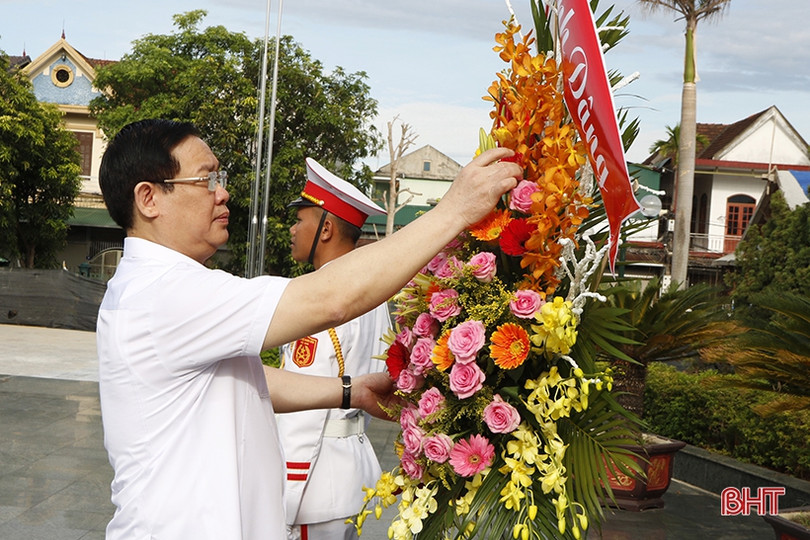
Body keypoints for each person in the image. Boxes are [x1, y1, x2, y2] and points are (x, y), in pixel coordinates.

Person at [96, 118, 521, 540]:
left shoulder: (160, 288)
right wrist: (455, 211)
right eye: (205, 180)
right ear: (149, 198)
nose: (222, 192)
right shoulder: (165, 292)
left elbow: (242, 378)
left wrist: (349, 392)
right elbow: (331, 300)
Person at [277, 158, 391, 540]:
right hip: (349, 471)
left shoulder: (320, 299)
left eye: (300, 219)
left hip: (313, 483)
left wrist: (286, 493)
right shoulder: (374, 296)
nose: (292, 229)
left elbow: (301, 415)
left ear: (325, 228)